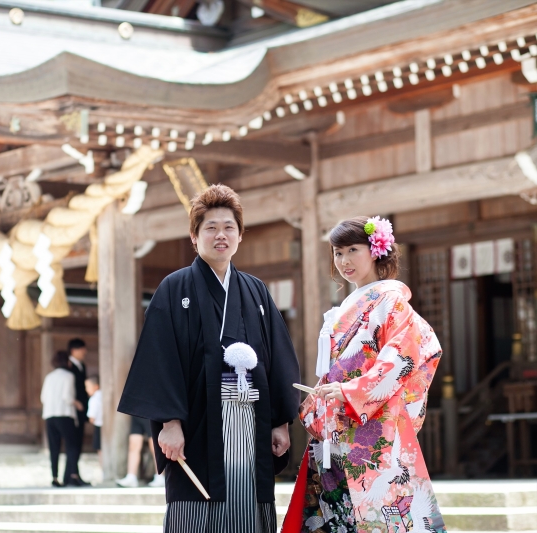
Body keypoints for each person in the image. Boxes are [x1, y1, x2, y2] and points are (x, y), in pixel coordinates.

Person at [118, 184, 301, 533]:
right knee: (195, 512)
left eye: (229, 227)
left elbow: (278, 356)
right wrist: (169, 422)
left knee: (248, 507)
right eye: (211, 228)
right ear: (194, 236)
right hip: (197, 425)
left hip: (251, 422)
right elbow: (160, 356)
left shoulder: (255, 290)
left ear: (240, 235)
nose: (221, 235)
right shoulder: (174, 288)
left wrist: (280, 421)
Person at [281, 216, 446, 533]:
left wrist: (352, 390)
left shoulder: (391, 300)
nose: (343, 261)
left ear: (375, 250)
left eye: (352, 250)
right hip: (338, 425)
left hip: (374, 426)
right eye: (337, 252)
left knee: (380, 512)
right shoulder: (345, 307)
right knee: (337, 513)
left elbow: (406, 354)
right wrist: (328, 392)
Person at [41, 350, 84, 487]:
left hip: (49, 415)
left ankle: (54, 477)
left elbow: (43, 398)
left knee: (54, 447)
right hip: (64, 414)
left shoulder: (49, 377)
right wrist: (77, 403)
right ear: (67, 361)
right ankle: (72, 475)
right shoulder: (68, 376)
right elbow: (67, 397)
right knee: (71, 445)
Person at [116, 416, 164, 488]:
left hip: (150, 411)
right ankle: (131, 476)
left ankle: (160, 477)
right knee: (133, 444)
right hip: (136, 412)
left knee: (154, 445)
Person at [67, 338, 89, 480]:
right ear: (74, 350)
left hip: (81, 409)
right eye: (82, 349)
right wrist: (75, 403)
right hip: (71, 409)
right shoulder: (68, 366)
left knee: (78, 442)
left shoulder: (82, 365)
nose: (84, 352)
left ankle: (72, 474)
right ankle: (72, 475)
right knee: (73, 443)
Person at [85, 375, 103, 467]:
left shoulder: (93, 399)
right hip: (107, 427)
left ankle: (103, 469)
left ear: (96, 386)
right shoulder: (104, 395)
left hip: (99, 426)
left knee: (100, 450)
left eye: (87, 387)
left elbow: (92, 418)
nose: (86, 390)